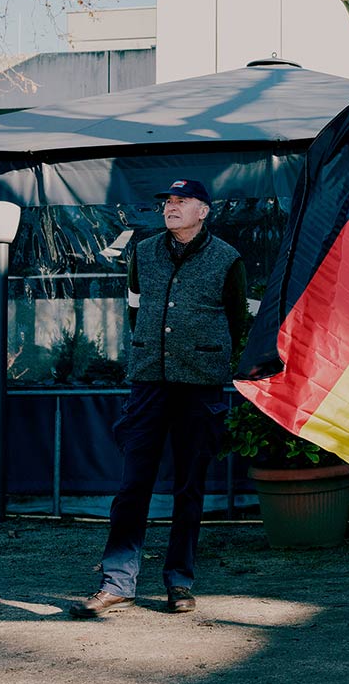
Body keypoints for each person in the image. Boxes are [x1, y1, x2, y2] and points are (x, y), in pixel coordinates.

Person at [69, 179, 248, 618]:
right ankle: (116, 583)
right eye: (167, 201)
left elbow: (237, 320)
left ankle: (180, 582)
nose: (171, 207)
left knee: (190, 485)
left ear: (203, 211)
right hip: (149, 381)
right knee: (133, 485)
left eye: (181, 201)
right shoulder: (142, 252)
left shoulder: (228, 258)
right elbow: (134, 309)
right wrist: (152, 349)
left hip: (200, 384)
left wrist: (202, 354)